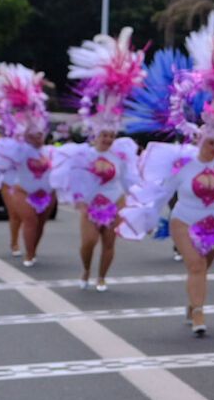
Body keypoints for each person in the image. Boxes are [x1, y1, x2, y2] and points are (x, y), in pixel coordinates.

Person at [120, 22, 214, 336]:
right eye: (209, 141)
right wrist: (145, 212)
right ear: (199, 138)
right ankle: (199, 315)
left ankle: (192, 303)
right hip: (184, 221)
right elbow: (162, 189)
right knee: (195, 266)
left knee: (202, 269)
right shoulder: (182, 161)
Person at [50, 29, 146, 293]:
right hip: (91, 202)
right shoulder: (82, 154)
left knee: (109, 243)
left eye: (111, 135)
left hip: (115, 198)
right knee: (89, 241)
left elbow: (130, 178)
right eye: (104, 134)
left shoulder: (122, 152)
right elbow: (74, 178)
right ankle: (85, 269)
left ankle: (102, 277)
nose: (107, 139)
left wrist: (135, 199)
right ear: (95, 133)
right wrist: (80, 199)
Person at [0, 64, 57, 266]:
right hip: (14, 184)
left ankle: (32, 250)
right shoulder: (12, 149)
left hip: (43, 191)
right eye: (34, 135)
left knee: (39, 222)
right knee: (18, 217)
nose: (38, 138)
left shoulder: (50, 152)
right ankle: (16, 244)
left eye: (40, 134)